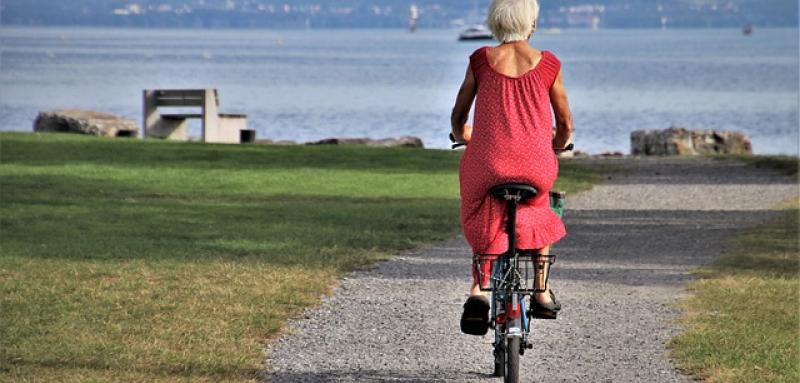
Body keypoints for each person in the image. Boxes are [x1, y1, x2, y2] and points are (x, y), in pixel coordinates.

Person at [450, 0, 574, 336]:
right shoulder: (549, 64)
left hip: (488, 162)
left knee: (480, 206)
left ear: (495, 22)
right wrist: (558, 144)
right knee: (540, 205)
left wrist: (462, 134)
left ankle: (478, 289)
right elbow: (564, 122)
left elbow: (460, 112)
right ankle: (541, 290)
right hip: (535, 165)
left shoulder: (480, 60)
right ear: (531, 23)